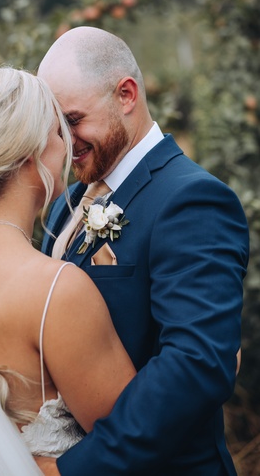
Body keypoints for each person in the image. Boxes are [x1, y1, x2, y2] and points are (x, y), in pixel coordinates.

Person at [34, 26, 249, 475]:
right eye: (55, 128)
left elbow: (195, 365)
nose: (64, 142)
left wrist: (74, 470)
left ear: (126, 95)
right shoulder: (62, 206)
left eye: (72, 121)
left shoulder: (193, 200)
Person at [0, 66, 136, 475]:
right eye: (57, 133)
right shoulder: (56, 289)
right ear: (29, 154)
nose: (68, 146)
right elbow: (135, 441)